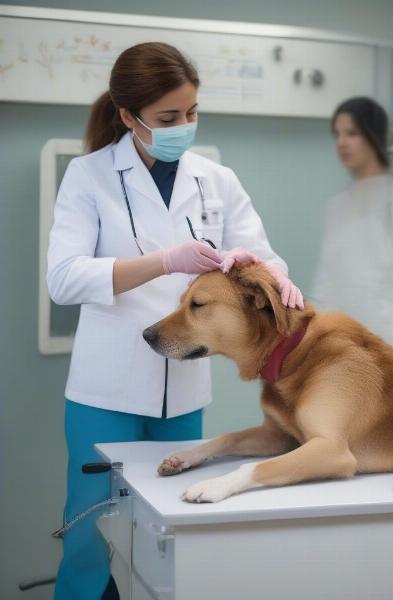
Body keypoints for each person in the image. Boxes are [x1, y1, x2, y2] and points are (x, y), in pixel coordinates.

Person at [47, 42, 302, 600]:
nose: (182, 126)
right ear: (127, 116)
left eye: (191, 114)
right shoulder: (88, 176)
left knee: (170, 529)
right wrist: (164, 261)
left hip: (184, 388)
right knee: (91, 530)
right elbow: (63, 280)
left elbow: (263, 253)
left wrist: (274, 274)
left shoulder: (217, 178)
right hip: (105, 390)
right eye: (168, 118)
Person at [311, 96, 393, 358]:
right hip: (346, 347)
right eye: (337, 134)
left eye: (352, 133)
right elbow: (328, 280)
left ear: (373, 136)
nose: (341, 143)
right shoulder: (338, 206)